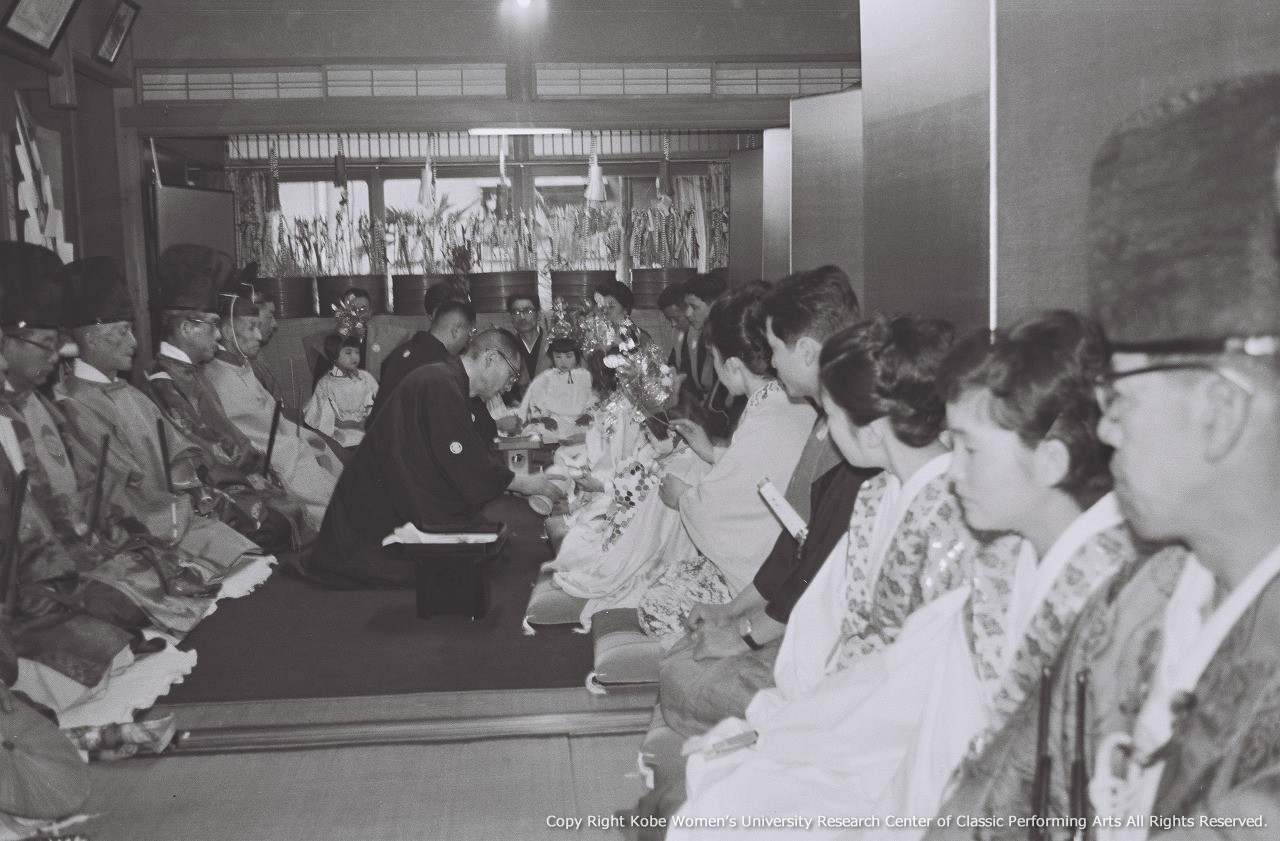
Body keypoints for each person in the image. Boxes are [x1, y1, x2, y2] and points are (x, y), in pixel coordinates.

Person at [926, 74, 1280, 841]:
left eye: (1119, 394)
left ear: (1221, 411)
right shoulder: (1131, 604)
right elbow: (993, 806)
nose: (1105, 426)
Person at [671, 312, 1131, 840]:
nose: (953, 470)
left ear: (1050, 460)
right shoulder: (1001, 560)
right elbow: (906, 695)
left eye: (970, 448)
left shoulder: (1113, 591)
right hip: (899, 757)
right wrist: (783, 729)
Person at [633, 266, 872, 826]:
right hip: (794, 620)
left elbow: (819, 568)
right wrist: (732, 614)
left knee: (681, 672)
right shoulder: (825, 421)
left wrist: (744, 634)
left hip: (830, 657)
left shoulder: (854, 443)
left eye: (775, 349)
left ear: (806, 350)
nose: (770, 363)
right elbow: (795, 544)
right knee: (682, 660)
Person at [289, 330, 566, 589]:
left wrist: (510, 481)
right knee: (467, 563)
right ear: (491, 358)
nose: (509, 385)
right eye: (511, 374)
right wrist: (523, 483)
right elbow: (462, 460)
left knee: (485, 545)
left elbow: (461, 453)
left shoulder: (447, 379)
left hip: (398, 491)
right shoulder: (440, 382)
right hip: (378, 510)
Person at [57, 256, 266, 586]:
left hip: (177, 512)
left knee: (252, 559)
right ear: (93, 338)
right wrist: (180, 508)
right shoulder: (73, 404)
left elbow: (180, 453)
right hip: (142, 528)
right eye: (123, 332)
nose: (134, 342)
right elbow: (115, 493)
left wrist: (198, 495)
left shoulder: (132, 394)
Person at [625, 285, 818, 637]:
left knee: (655, 602)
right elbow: (757, 470)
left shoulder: (769, 416)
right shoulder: (781, 401)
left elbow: (721, 509)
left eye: (713, 357)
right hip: (784, 554)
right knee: (665, 573)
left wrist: (682, 498)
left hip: (770, 567)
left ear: (731, 364)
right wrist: (710, 452)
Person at [145, 244, 307, 550]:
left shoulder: (195, 373)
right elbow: (204, 456)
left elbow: (230, 436)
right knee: (282, 518)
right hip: (208, 499)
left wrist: (260, 470)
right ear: (186, 328)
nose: (219, 335)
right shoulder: (164, 385)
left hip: (238, 481)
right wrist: (252, 478)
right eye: (212, 325)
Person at [205, 285, 341, 533]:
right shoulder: (218, 376)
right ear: (227, 331)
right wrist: (297, 443)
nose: (260, 336)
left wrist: (306, 437)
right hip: (268, 457)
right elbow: (250, 431)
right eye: (251, 328)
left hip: (284, 443)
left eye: (259, 327)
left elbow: (271, 415)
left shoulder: (242, 365)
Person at [368, 298, 475, 426]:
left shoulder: (400, 352)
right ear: (456, 330)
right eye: (468, 335)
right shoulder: (441, 366)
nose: (466, 343)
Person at [305, 333, 377, 449]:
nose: (354, 357)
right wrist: (350, 424)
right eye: (348, 353)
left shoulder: (366, 377)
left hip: (367, 428)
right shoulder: (326, 384)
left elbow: (379, 402)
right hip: (341, 432)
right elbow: (321, 418)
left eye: (357, 352)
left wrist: (368, 419)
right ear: (334, 356)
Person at [518, 337, 593, 438]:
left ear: (577, 356)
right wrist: (544, 417)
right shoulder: (546, 377)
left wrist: (588, 415)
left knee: (594, 431)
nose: (563, 361)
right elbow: (535, 399)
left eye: (568, 356)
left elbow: (592, 398)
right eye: (558, 357)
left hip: (578, 420)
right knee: (538, 432)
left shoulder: (585, 376)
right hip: (555, 421)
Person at [506, 292, 551, 406]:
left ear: (538, 314)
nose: (522, 317)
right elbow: (503, 387)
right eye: (516, 312)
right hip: (518, 408)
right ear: (511, 318)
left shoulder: (553, 343)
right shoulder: (507, 347)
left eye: (528, 311)